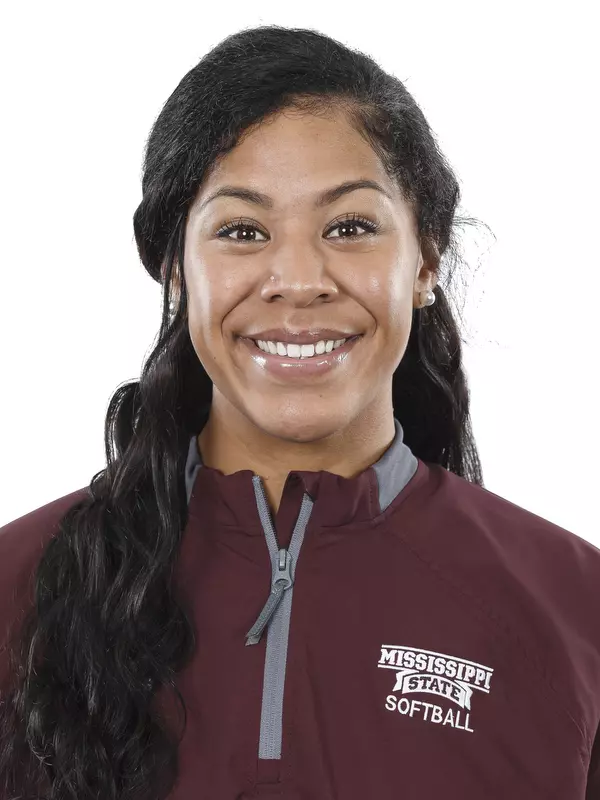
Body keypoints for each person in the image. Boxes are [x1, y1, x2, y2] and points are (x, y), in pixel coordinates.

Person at [1, 23, 599, 800]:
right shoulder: (17, 586)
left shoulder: (575, 608)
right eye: (242, 230)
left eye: (349, 227)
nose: (297, 278)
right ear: (174, 272)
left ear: (424, 260)